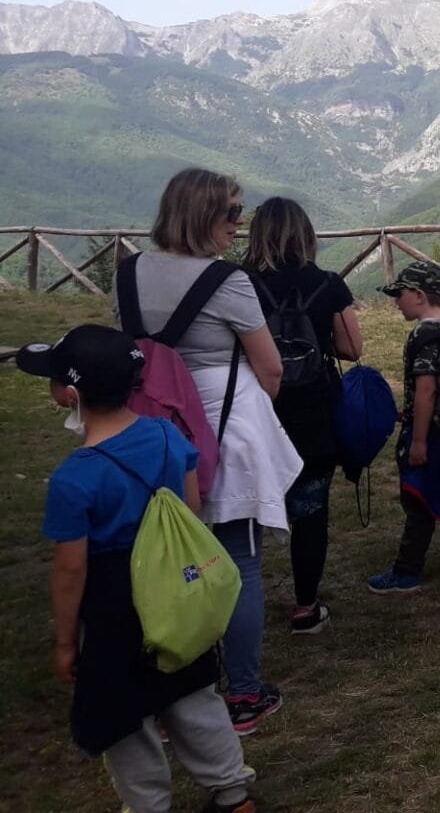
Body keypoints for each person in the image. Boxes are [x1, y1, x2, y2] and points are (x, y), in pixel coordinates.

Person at [24, 325, 255, 813]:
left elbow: (70, 572)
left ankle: (148, 804)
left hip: (113, 611)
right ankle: (233, 793)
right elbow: (191, 507)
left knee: (123, 715)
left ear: (70, 395)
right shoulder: (168, 434)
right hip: (175, 591)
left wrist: (66, 642)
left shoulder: (74, 479)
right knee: (193, 691)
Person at [122, 168, 297, 735]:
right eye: (230, 214)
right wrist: (250, 406)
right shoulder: (227, 282)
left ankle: (170, 674)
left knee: (161, 551)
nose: (239, 224)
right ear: (202, 217)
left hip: (147, 431)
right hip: (223, 425)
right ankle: (244, 691)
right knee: (239, 559)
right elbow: (269, 367)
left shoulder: (128, 275)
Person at [242, 197, 362, 636]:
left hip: (255, 408)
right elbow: (352, 348)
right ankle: (306, 605)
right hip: (314, 409)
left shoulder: (240, 283)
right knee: (310, 508)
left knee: (245, 507)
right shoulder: (328, 284)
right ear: (305, 234)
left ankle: (240, 603)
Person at [367, 261, 440, 595]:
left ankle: (406, 572)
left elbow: (426, 390)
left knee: (419, 503)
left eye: (399, 295)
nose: (395, 302)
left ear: (419, 296)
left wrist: (418, 440)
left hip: (434, 436)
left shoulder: (423, 335)